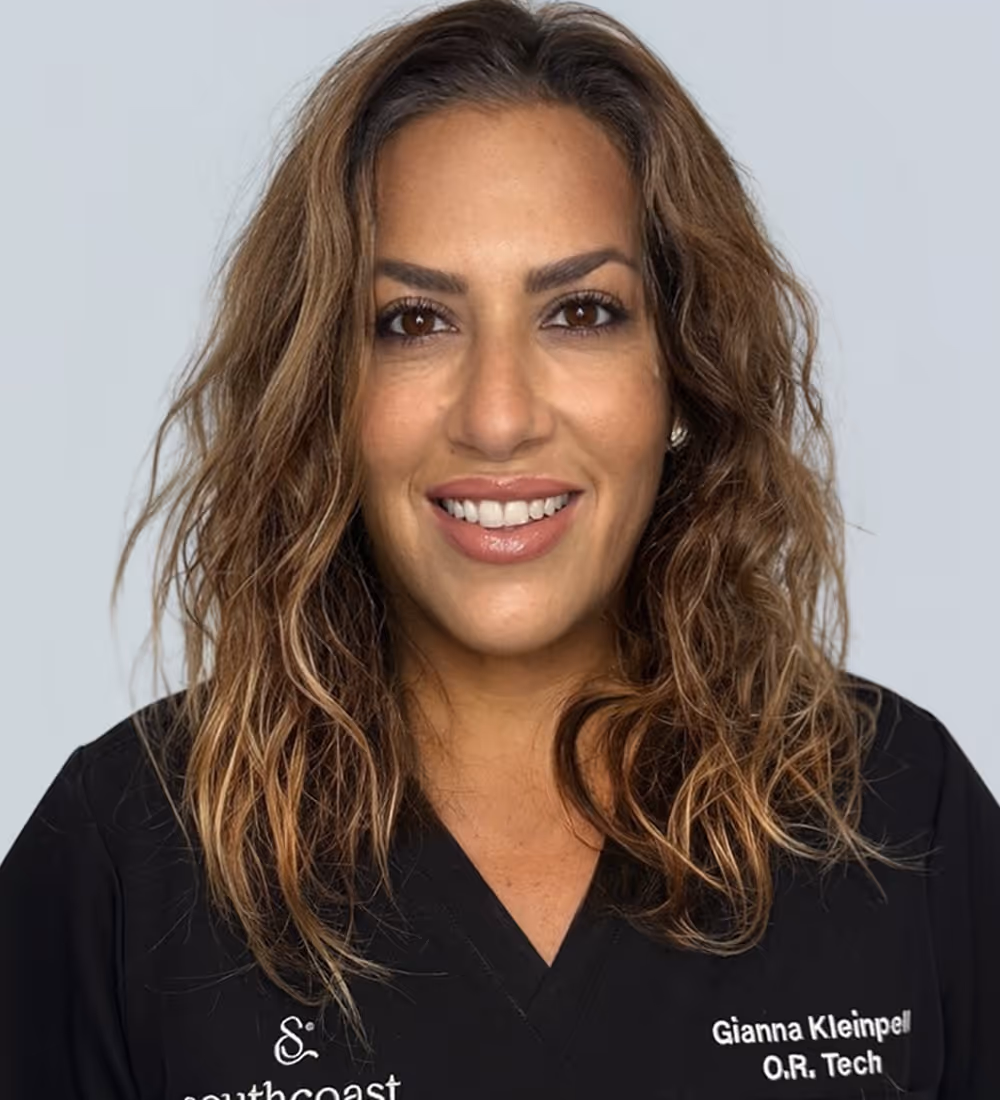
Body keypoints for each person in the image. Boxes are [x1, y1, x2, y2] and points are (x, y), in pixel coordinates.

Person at [1, 0, 998, 1095]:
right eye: (413, 321)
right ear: (323, 391)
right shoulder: (122, 864)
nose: (498, 416)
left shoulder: (904, 820)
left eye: (581, 312)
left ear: (684, 369)